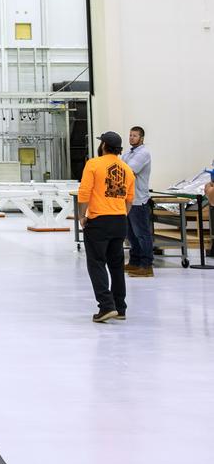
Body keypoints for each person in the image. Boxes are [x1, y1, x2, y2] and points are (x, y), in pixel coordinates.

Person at [77, 131, 135, 323]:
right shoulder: (126, 169)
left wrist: (81, 216)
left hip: (99, 221)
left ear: (103, 146)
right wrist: (120, 215)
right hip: (119, 221)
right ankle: (120, 307)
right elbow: (129, 199)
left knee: (96, 263)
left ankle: (106, 306)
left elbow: (84, 192)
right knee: (116, 265)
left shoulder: (93, 164)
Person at [124, 125, 154, 277]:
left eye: (134, 136)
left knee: (142, 234)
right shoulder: (128, 153)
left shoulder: (143, 153)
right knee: (131, 235)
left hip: (139, 200)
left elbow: (128, 171)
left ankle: (147, 265)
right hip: (129, 200)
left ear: (141, 138)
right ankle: (134, 262)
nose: (131, 138)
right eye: (130, 135)